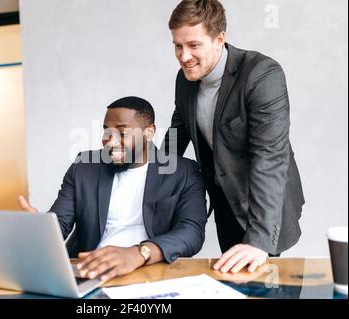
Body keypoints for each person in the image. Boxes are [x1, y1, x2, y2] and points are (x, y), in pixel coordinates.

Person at [163, 0, 305, 273]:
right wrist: (143, 178)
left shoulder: (262, 74)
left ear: (219, 39)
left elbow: (270, 158)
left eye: (193, 45)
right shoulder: (185, 80)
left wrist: (260, 240)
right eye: (177, 46)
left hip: (264, 204)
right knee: (233, 283)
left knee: (268, 284)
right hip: (223, 201)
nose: (183, 56)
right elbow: (175, 136)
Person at [19, 96, 208, 281]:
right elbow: (60, 224)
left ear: (148, 133)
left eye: (122, 133)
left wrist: (139, 253)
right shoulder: (83, 167)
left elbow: (192, 231)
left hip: (153, 271)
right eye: (106, 132)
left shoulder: (184, 172)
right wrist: (40, 229)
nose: (110, 141)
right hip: (92, 273)